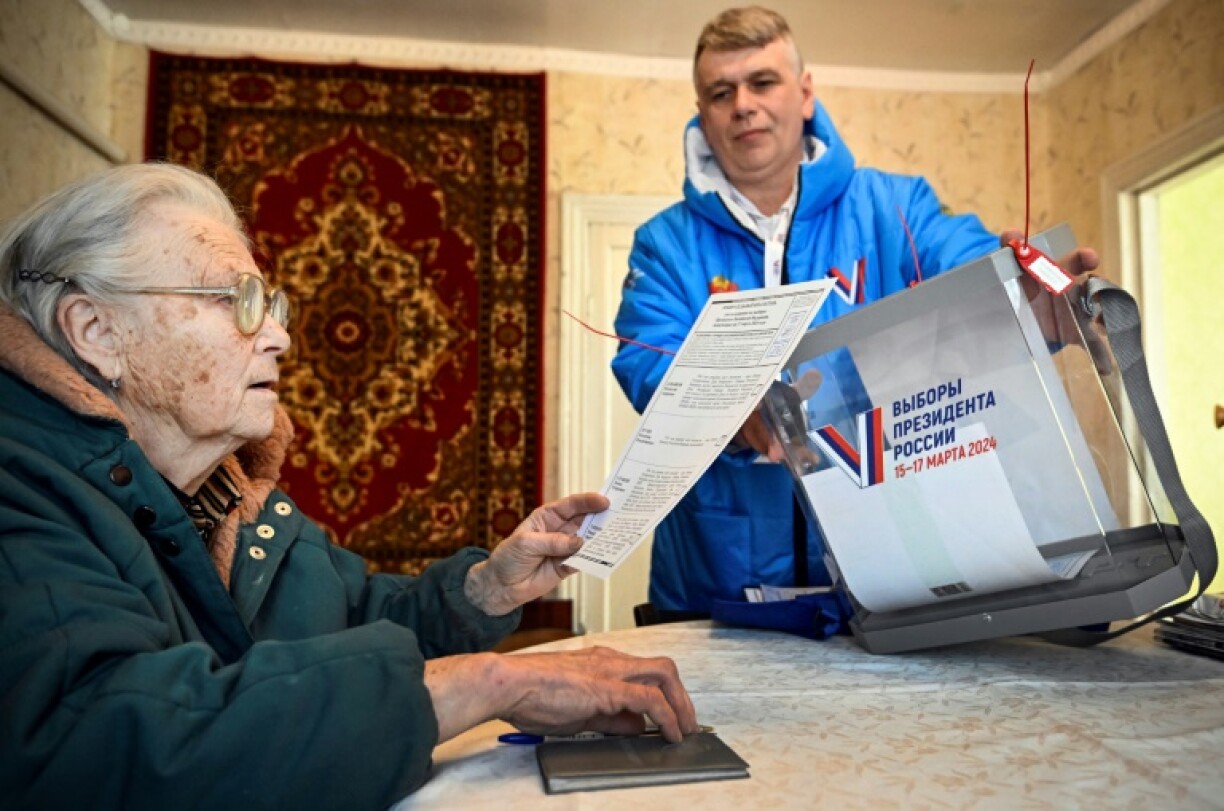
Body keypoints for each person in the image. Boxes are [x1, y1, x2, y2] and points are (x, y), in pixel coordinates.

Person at [0, 163, 699, 809]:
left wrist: (487, 586)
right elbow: (104, 746)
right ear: (96, 330)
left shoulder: (228, 497)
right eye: (237, 299)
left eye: (270, 303)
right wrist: (494, 680)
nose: (278, 336)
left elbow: (362, 613)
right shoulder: (20, 490)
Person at [611, 6, 1099, 616]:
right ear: (703, 116)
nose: (742, 104)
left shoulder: (896, 206)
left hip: (888, 570)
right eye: (720, 92)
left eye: (762, 82)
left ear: (805, 93)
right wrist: (741, 412)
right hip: (712, 585)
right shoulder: (665, 243)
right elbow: (646, 363)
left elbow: (968, 271)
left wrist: (1024, 305)